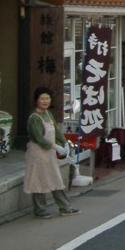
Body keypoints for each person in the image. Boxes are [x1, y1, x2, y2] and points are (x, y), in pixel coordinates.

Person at [24, 86, 79, 219]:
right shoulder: (34, 118)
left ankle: (65, 207)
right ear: (36, 100)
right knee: (38, 179)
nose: (45, 101)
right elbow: (38, 138)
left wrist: (64, 142)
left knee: (55, 178)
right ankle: (40, 210)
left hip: (49, 152)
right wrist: (56, 147)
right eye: (42, 98)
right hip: (37, 153)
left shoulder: (48, 114)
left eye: (47, 98)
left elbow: (56, 130)